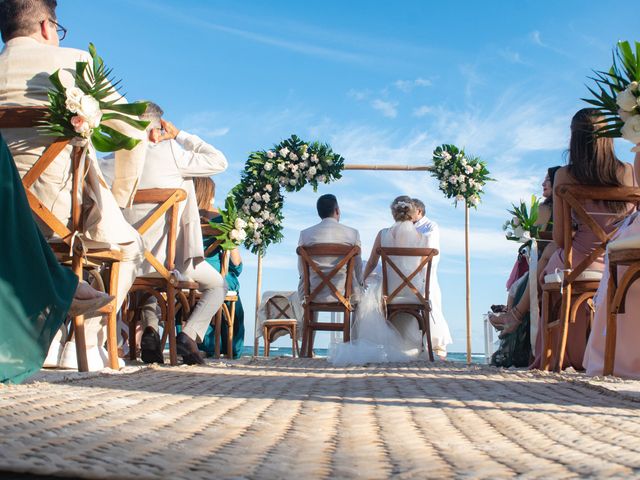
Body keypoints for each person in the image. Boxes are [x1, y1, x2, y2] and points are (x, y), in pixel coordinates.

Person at [0, 0, 147, 369]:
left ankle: (42, 333)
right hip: (61, 216)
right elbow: (132, 130)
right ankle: (87, 342)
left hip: (5, 218)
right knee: (129, 246)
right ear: (48, 26)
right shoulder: (75, 61)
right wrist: (118, 199)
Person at [0, 134, 112, 383]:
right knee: (128, 248)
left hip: (29, 201)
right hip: (54, 212)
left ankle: (56, 310)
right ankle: (86, 340)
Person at [530, 108, 636, 370]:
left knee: (547, 275)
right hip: (618, 264)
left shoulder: (565, 175)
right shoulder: (629, 172)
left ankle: (559, 355)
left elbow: (560, 239)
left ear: (574, 138)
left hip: (575, 262)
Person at [123, 103, 228, 365]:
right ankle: (189, 335)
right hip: (170, 263)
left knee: (145, 282)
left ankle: (150, 328)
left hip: (127, 260)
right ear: (158, 128)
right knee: (218, 285)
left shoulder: (118, 156)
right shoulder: (173, 154)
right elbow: (219, 161)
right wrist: (179, 134)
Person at [328, 196, 433, 365]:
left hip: (388, 292)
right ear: (413, 214)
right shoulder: (424, 239)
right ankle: (415, 346)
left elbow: (371, 263)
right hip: (414, 294)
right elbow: (421, 270)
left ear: (393, 214)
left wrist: (361, 281)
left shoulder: (383, 234)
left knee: (365, 299)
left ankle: (376, 345)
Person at [489, 166, 560, 367]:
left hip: (550, 263)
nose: (543, 184)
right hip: (560, 261)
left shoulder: (543, 210)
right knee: (519, 284)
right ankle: (510, 316)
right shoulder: (560, 209)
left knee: (520, 286)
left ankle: (512, 318)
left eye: (547, 180)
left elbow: (537, 240)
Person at [583, 145, 640, 378]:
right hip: (603, 252)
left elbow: (559, 238)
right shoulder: (625, 169)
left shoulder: (566, 174)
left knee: (541, 266)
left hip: (580, 260)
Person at [194, 177, 245, 359]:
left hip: (186, 275)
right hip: (216, 276)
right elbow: (236, 265)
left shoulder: (183, 216)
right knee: (231, 281)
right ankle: (231, 346)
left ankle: (197, 342)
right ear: (211, 195)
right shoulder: (223, 219)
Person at [297, 194, 364, 305]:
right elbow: (357, 267)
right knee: (359, 292)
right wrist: (361, 285)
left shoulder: (305, 234)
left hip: (312, 294)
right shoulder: (352, 234)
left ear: (319, 213)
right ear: (337, 210)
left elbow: (301, 269)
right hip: (344, 295)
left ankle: (308, 322)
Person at [411, 198, 452, 359]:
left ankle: (436, 344)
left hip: (424, 274)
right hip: (405, 273)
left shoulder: (431, 227)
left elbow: (430, 250)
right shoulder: (402, 227)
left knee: (432, 305)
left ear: (419, 211)